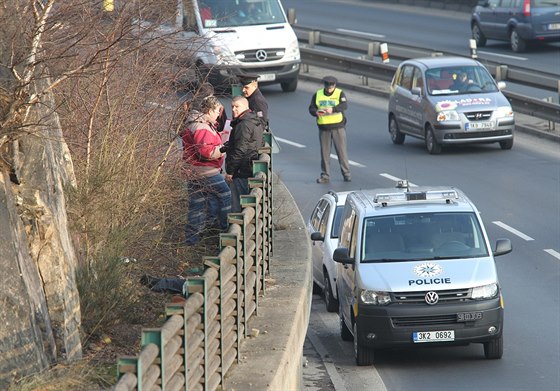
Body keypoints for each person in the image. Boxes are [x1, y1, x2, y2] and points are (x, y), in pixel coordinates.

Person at [182, 95, 231, 245]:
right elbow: (205, 152)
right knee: (225, 194)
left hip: (193, 171)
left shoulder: (196, 123)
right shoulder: (202, 127)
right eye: (217, 111)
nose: (219, 114)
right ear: (209, 110)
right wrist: (223, 148)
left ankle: (192, 241)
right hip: (204, 170)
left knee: (197, 205)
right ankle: (226, 231)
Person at [223, 96, 265, 212]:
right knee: (244, 207)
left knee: (236, 206)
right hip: (249, 167)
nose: (234, 109)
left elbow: (239, 150)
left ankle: (236, 229)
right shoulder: (254, 120)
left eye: (237, 106)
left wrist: (230, 171)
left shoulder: (243, 125)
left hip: (241, 171)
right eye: (232, 107)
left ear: (245, 107)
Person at [308, 75, 351, 184]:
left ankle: (346, 174)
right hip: (324, 128)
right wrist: (316, 112)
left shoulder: (340, 93)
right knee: (325, 153)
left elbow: (344, 106)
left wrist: (333, 109)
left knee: (342, 152)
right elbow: (311, 108)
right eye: (327, 87)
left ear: (335, 86)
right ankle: (325, 176)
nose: (329, 89)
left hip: (338, 127)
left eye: (331, 87)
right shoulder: (317, 94)